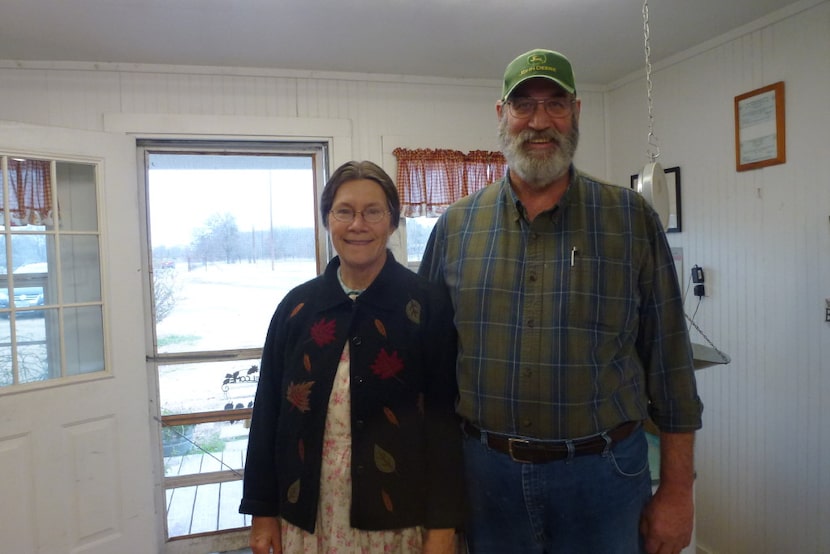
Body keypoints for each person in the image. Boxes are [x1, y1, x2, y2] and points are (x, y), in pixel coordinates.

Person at [418, 49, 703, 554]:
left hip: (605, 477)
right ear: (501, 114)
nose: (540, 121)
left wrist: (679, 491)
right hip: (487, 478)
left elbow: (672, 367)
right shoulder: (455, 228)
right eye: (524, 105)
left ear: (576, 111)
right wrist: (439, 498)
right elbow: (433, 373)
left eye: (555, 104)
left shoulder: (630, 218)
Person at [240, 160, 465, 554]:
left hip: (398, 521)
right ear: (328, 220)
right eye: (344, 211)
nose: (357, 224)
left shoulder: (427, 306)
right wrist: (262, 513)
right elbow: (268, 416)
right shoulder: (297, 309)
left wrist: (443, 527)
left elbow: (445, 423)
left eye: (373, 212)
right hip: (309, 517)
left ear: (392, 222)